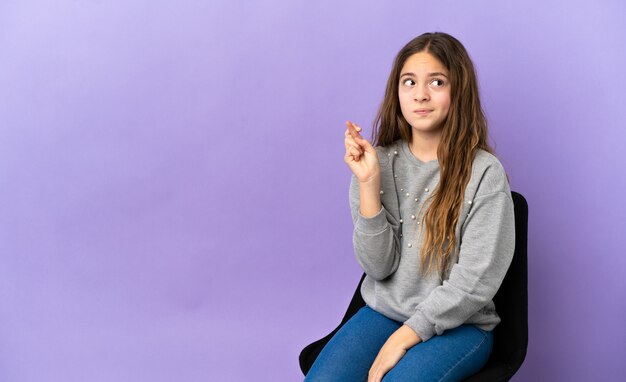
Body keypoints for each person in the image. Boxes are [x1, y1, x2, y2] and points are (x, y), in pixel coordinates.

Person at [304, 32, 516, 382]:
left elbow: (475, 284)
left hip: (460, 324)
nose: (420, 94)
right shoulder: (378, 163)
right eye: (409, 82)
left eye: (437, 82)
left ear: (458, 91)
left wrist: (405, 336)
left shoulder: (485, 174)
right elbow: (378, 267)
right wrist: (369, 184)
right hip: (384, 312)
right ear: (397, 91)